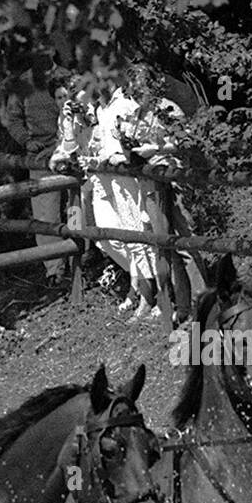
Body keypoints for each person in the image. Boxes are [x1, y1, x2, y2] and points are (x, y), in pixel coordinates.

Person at [124, 64, 207, 322]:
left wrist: (157, 148)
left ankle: (203, 304)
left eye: (142, 91)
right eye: (134, 93)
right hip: (150, 183)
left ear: (151, 88)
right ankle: (183, 307)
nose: (139, 97)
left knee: (186, 243)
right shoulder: (135, 116)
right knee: (166, 246)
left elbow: (186, 141)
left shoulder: (168, 109)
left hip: (175, 181)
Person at [84, 74, 160, 321]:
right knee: (131, 238)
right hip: (114, 179)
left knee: (145, 233)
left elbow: (140, 143)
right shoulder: (101, 110)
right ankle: (147, 297)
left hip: (131, 177)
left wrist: (124, 158)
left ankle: (158, 295)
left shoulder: (125, 106)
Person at [5, 52, 68, 284]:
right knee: (45, 214)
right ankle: (54, 268)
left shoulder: (67, 78)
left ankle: (81, 258)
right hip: (39, 157)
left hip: (68, 152)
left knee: (76, 207)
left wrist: (63, 145)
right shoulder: (22, 84)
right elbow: (13, 120)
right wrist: (26, 141)